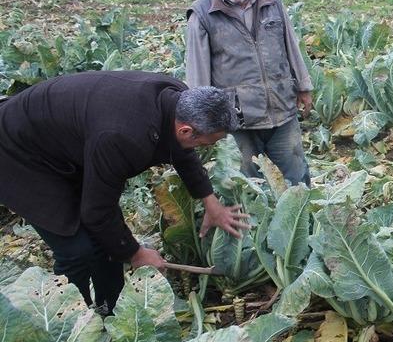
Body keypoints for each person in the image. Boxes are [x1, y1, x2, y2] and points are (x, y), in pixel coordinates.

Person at [0, 71, 250, 312]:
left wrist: (209, 200)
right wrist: (136, 253)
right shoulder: (123, 136)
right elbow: (97, 212)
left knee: (105, 242)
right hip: (17, 153)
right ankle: (64, 318)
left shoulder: (177, 100)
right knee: (77, 249)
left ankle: (110, 308)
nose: (209, 146)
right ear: (186, 130)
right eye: (210, 142)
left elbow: (182, 152)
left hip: (62, 143)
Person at [185, 0, 313, 185]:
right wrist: (204, 120)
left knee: (297, 178)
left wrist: (304, 86)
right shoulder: (202, 14)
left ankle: (302, 223)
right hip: (238, 120)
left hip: (281, 109)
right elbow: (197, 75)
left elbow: (290, 44)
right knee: (250, 186)